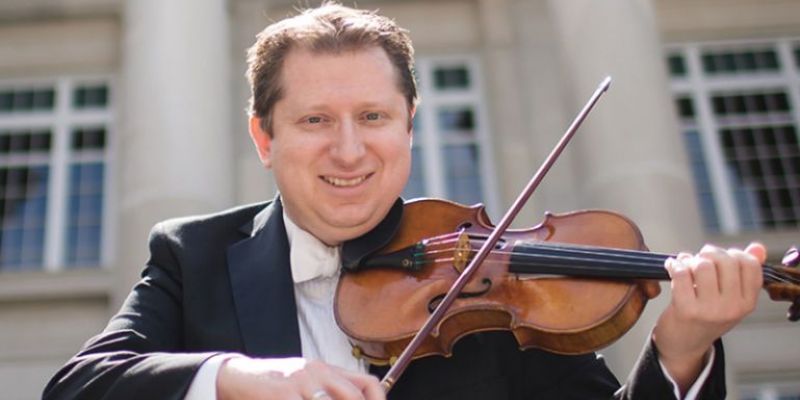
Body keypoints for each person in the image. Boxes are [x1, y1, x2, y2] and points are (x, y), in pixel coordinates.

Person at [42, 2, 765, 399]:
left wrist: (681, 352)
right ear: (265, 137)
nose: (349, 150)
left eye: (374, 117)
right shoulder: (193, 255)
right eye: (315, 120)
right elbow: (78, 388)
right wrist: (241, 378)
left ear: (409, 127)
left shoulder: (487, 285)